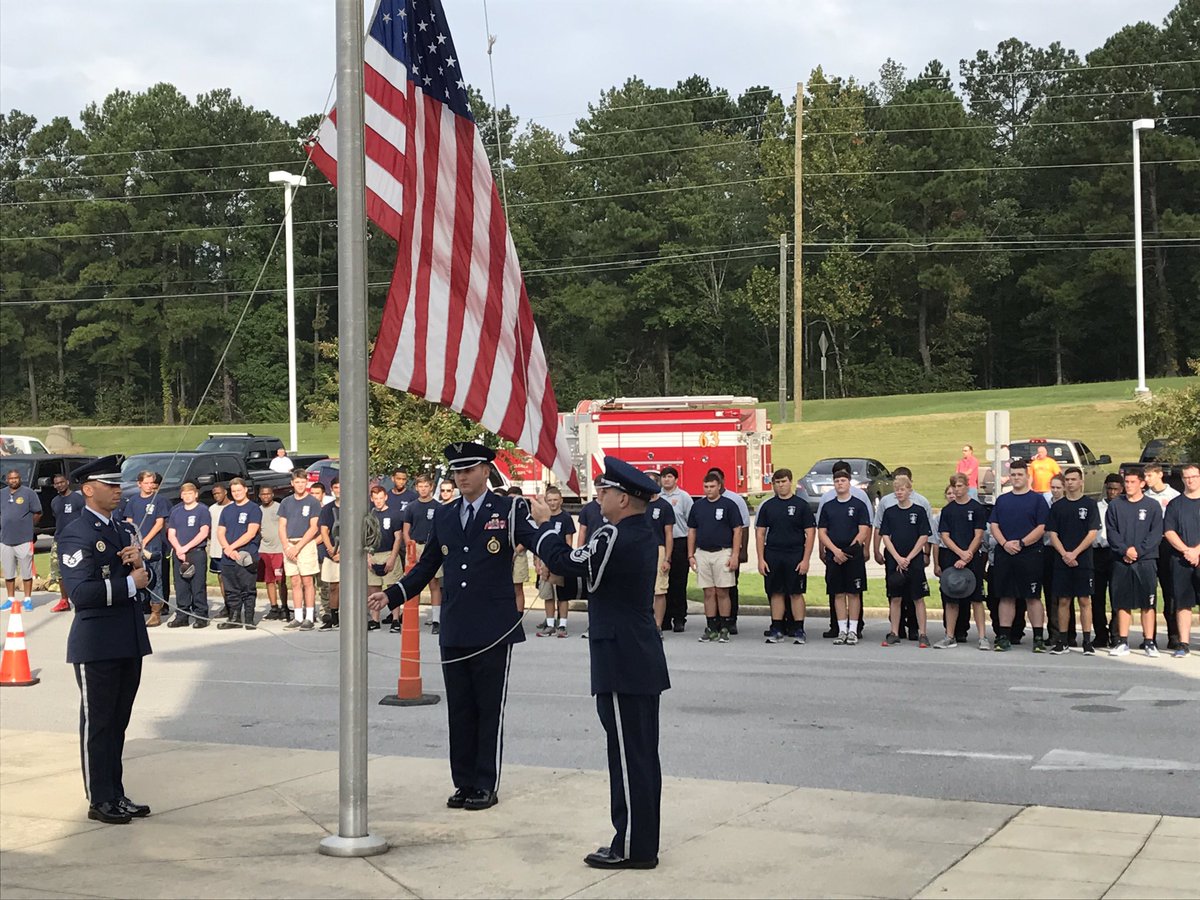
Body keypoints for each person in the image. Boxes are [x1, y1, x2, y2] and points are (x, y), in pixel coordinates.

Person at [368, 442, 542, 812]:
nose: (461, 477)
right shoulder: (446, 516)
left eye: (468, 470)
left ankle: (484, 783)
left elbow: (534, 541)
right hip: (457, 624)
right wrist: (393, 595)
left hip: (493, 627)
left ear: (485, 471)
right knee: (460, 709)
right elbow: (427, 565)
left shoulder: (506, 510)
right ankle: (462, 782)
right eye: (456, 472)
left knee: (487, 708)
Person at [529, 457, 670, 870]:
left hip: (623, 657)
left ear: (623, 498)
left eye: (605, 491)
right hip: (634, 653)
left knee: (628, 757)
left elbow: (571, 564)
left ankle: (632, 847)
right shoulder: (637, 533)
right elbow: (587, 580)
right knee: (639, 754)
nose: (598, 497)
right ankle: (640, 842)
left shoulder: (614, 535)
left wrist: (542, 526)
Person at [59, 456, 152, 824]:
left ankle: (116, 792)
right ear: (88, 490)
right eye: (109, 485)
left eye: (118, 485)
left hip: (127, 640)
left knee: (118, 722)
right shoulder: (76, 532)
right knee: (98, 724)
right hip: (96, 643)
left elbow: (145, 585)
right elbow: (81, 593)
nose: (118, 491)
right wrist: (130, 582)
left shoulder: (122, 530)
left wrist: (138, 566)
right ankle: (100, 799)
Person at [989, 460, 1049, 652]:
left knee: (1032, 597)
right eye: (1013, 475)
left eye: (1020, 474)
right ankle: (1004, 636)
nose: (1016, 478)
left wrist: (1022, 543)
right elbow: (994, 525)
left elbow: (1042, 527)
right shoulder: (1003, 500)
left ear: (1027, 476)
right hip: (1005, 553)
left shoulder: (1037, 500)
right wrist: (1005, 543)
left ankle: (1038, 637)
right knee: (1006, 596)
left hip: (1030, 554)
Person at [1106, 469, 1164, 657]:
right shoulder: (1115, 505)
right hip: (1122, 561)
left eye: (1132, 482)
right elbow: (1112, 532)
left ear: (1142, 483)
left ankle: (1149, 642)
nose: (1129, 485)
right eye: (1127, 482)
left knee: (1148, 602)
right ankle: (1122, 641)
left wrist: (1138, 551)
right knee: (1123, 602)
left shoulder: (1152, 505)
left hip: (1146, 561)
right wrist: (1125, 550)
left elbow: (1155, 533)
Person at [756, 468, 816, 645]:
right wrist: (761, 559)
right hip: (773, 553)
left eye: (783, 481)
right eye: (777, 482)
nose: (781, 485)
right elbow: (760, 533)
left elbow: (810, 534)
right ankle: (777, 628)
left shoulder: (801, 505)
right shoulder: (768, 506)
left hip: (795, 554)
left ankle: (799, 628)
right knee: (776, 592)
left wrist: (805, 559)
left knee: (796, 593)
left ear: (790, 482)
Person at [872, 467, 933, 641]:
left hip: (913, 559)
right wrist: (897, 557)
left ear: (909, 490)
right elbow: (885, 536)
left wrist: (910, 557)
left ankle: (922, 633)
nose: (899, 492)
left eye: (902, 489)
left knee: (918, 597)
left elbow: (923, 536)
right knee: (895, 597)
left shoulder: (919, 511)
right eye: (897, 489)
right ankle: (894, 632)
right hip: (895, 559)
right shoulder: (890, 512)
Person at [1045, 467, 1101, 655]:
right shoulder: (1058, 506)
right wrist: (1065, 554)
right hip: (1062, 560)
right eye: (1067, 480)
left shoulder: (1090, 505)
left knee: (1085, 600)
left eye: (1073, 479)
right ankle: (1062, 640)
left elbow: (1092, 533)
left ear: (1081, 481)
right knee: (1063, 600)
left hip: (1083, 560)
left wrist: (1075, 553)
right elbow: (1052, 534)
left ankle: (1086, 641)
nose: (1069, 483)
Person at [817, 461, 872, 645]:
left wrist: (847, 552)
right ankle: (841, 630)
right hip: (834, 555)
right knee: (838, 593)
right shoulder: (828, 506)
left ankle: (853, 630)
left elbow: (863, 530)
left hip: (853, 555)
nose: (840, 483)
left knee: (854, 593)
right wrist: (835, 551)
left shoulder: (858, 504)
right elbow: (822, 532)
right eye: (837, 481)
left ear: (849, 483)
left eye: (843, 480)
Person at [934, 475, 990, 650]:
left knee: (977, 599)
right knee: (951, 599)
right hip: (952, 557)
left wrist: (968, 555)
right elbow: (944, 536)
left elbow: (979, 535)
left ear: (967, 486)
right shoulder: (948, 510)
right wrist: (959, 554)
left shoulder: (977, 508)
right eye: (954, 487)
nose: (957, 490)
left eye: (959, 486)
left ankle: (982, 637)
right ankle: (949, 635)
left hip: (972, 557)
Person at [687, 472, 743, 643]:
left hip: (723, 551)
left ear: (719, 486)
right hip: (703, 552)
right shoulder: (698, 506)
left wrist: (735, 554)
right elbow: (692, 531)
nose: (709, 490)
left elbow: (737, 530)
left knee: (722, 591)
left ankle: (725, 626)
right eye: (706, 487)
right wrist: (691, 555)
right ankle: (711, 626)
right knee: (708, 591)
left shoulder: (729, 505)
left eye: (712, 486)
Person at [124, 471, 171, 627]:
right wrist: (134, 541)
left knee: (155, 577)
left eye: (152, 483)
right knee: (138, 576)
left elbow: (159, 524)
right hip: (136, 545)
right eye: (147, 482)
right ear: (139, 484)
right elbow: (129, 522)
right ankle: (142, 607)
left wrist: (144, 540)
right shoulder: (133, 501)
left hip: (152, 544)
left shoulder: (159, 500)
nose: (150, 485)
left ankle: (156, 612)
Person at [706, 466, 749, 634]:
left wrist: (742, 551)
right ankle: (714, 621)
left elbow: (743, 526)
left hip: (729, 551)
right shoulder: (705, 501)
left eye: (716, 479)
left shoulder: (735, 500)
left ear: (721, 481)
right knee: (711, 588)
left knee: (730, 586)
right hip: (708, 552)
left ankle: (731, 620)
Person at [1163, 463, 1200, 658]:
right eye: (1187, 477)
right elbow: (1169, 531)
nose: (1190, 480)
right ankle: (1184, 643)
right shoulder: (1175, 504)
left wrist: (1197, 551)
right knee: (1182, 603)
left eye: (1194, 476)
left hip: (1197, 556)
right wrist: (1187, 550)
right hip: (1181, 560)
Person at [1144, 464, 1182, 650]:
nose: (1147, 479)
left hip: (1167, 546)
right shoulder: (1145, 497)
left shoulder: (1174, 496)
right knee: (1148, 592)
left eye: (1150, 475)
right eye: (1145, 476)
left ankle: (1173, 635)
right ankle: (1148, 637)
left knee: (1170, 592)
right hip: (1149, 547)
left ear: (1160, 475)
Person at [216, 478, 262, 630]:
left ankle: (249, 619)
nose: (236, 493)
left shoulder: (253, 509)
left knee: (247, 589)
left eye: (239, 490)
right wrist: (227, 548)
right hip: (228, 556)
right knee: (231, 589)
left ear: (245, 490)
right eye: (234, 491)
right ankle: (234, 618)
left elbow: (251, 533)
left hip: (246, 555)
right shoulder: (227, 509)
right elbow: (220, 532)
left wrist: (232, 547)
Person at [278, 470, 320, 631]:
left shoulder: (313, 502)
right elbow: (281, 526)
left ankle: (309, 616)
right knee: (294, 581)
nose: (300, 485)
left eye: (303, 482)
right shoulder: (286, 502)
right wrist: (287, 546)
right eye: (297, 482)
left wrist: (298, 547)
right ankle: (297, 616)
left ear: (306, 483)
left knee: (307, 580)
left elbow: (313, 527)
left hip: (305, 544)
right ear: (292, 483)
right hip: (289, 544)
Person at [165, 482, 210, 628]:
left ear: (196, 494)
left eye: (190, 493)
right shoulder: (176, 511)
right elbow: (171, 533)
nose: (187, 496)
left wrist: (186, 548)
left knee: (197, 585)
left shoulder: (202, 510)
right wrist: (178, 549)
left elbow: (203, 532)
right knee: (181, 586)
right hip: (179, 553)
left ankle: (201, 615)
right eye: (184, 493)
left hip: (196, 552)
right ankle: (182, 615)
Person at [533, 485, 576, 637]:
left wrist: (565, 559)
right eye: (549, 500)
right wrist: (537, 562)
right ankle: (550, 624)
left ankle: (562, 625)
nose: (552, 503)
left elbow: (569, 540)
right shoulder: (542, 519)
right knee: (547, 594)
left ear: (561, 500)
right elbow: (536, 541)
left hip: (560, 560)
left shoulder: (565, 518)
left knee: (562, 595)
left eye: (555, 500)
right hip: (545, 561)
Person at [402, 475, 441, 634]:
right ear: (416, 488)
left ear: (431, 487)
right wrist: (411, 548)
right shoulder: (411, 507)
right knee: (412, 583)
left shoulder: (438, 506)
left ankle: (436, 619)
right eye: (420, 486)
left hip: (431, 547)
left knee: (434, 584)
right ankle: (409, 616)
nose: (423, 489)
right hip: (415, 546)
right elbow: (406, 531)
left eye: (426, 486)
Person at [657, 466, 693, 633]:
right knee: (663, 584)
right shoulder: (658, 497)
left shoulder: (684, 497)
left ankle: (679, 618)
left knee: (679, 583)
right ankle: (664, 618)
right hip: (662, 544)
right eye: (664, 477)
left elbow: (691, 523)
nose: (666, 480)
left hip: (680, 542)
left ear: (676, 479)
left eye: (670, 477)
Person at [2, 468, 42, 612]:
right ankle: (10, 599)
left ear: (20, 479)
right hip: (5, 540)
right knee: (9, 573)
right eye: (11, 478)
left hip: (24, 539)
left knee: (26, 572)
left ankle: (27, 599)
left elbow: (38, 512)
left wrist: (29, 527)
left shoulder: (28, 493)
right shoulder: (2, 494)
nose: (14, 480)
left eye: (16, 478)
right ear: (7, 480)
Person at [1091, 474, 1123, 648]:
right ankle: (1100, 634)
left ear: (1122, 489)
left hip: (1117, 553)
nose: (1112, 492)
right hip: (1098, 553)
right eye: (1109, 488)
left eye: (1116, 489)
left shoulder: (1124, 506)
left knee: (1117, 596)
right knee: (1097, 597)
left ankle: (1116, 633)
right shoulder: (1097, 507)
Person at [367, 485, 404, 631]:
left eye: (381, 498)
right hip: (373, 553)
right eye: (375, 498)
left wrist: (393, 558)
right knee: (374, 588)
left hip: (389, 552)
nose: (378, 501)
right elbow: (366, 538)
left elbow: (398, 537)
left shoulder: (394, 514)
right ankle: (375, 620)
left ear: (386, 497)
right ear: (371, 499)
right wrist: (368, 557)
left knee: (392, 587)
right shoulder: (369, 516)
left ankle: (395, 619)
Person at [643, 471, 675, 633]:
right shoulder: (638, 504)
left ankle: (657, 626)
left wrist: (667, 558)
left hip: (658, 550)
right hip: (639, 549)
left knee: (659, 590)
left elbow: (669, 534)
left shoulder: (664, 506)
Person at [49, 473, 84, 612]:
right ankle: (64, 601)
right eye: (56, 483)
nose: (59, 485)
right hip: (59, 540)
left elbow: (84, 517)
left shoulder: (77, 498)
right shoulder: (54, 501)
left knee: (79, 569)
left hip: (76, 540)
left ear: (67, 482)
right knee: (58, 572)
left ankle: (82, 599)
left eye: (62, 482)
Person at [257, 485, 289, 621]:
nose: (266, 496)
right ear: (259, 496)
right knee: (268, 580)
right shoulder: (257, 510)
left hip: (279, 550)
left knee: (280, 580)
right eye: (263, 494)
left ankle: (285, 607)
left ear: (272, 494)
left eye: (268, 494)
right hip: (264, 549)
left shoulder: (279, 508)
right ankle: (274, 607)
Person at [318, 478, 342, 631]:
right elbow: (324, 531)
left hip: (349, 554)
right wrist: (332, 550)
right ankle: (333, 617)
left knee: (350, 586)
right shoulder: (327, 509)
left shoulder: (352, 507)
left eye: (341, 487)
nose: (339, 490)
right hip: (332, 553)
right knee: (333, 586)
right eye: (336, 487)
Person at [207, 483, 231, 618]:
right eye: (214, 494)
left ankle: (234, 605)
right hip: (216, 549)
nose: (217, 496)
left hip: (229, 548)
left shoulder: (232, 507)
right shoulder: (212, 509)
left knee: (232, 579)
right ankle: (226, 605)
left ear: (225, 492)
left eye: (219, 493)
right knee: (221, 578)